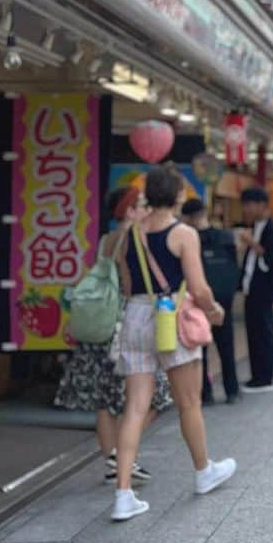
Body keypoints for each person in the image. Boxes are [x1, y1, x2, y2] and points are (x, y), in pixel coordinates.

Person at [113, 164, 236, 522]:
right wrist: (213, 310)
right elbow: (198, 288)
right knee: (188, 402)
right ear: (179, 195)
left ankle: (123, 493)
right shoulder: (183, 233)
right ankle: (202, 470)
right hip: (171, 319)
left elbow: (124, 280)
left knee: (135, 406)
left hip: (135, 316)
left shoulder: (129, 233)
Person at [54, 187, 170, 482]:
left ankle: (113, 461)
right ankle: (122, 455)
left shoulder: (106, 239)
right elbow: (131, 285)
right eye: (142, 205)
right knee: (154, 395)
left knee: (104, 402)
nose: (147, 209)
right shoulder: (132, 238)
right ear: (129, 211)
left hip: (99, 328)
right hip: (122, 327)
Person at [180, 198, 240, 405]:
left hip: (199, 301)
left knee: (201, 349)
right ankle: (232, 390)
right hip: (224, 301)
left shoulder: (189, 239)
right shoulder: (225, 237)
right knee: (226, 347)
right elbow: (234, 267)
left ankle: (206, 394)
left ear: (188, 218)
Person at [239, 186, 273, 394]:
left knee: (263, 332)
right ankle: (256, 376)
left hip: (263, 290)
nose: (246, 210)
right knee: (254, 332)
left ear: (261, 205)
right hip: (253, 289)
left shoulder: (271, 228)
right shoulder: (258, 226)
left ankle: (264, 377)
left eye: (248, 205)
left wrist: (251, 243)